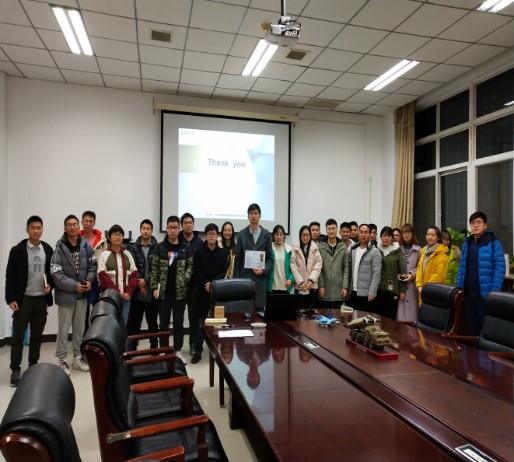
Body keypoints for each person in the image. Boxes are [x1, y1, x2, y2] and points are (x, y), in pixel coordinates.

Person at [5, 216, 53, 387]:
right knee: (18, 336)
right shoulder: (17, 250)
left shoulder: (47, 249)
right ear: (27, 230)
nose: (36, 231)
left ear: (42, 229)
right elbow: (10, 276)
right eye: (32, 228)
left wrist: (50, 286)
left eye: (39, 228)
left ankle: (33, 366)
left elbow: (51, 274)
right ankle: (15, 369)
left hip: (40, 300)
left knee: (37, 335)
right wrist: (10, 298)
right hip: (23, 300)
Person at [51, 214, 97, 375]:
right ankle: (61, 360)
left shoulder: (86, 246)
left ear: (79, 227)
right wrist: (74, 286)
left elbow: (93, 266)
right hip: (66, 296)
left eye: (75, 224)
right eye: (69, 225)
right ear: (65, 228)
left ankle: (77, 358)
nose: (72, 227)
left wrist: (89, 280)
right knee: (63, 330)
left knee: (79, 329)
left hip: (82, 296)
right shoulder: (59, 249)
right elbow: (56, 274)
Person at [150, 215, 194, 364]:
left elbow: (190, 267)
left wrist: (183, 280)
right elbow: (154, 269)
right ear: (166, 229)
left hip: (180, 293)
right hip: (163, 293)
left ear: (179, 229)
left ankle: (177, 350)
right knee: (163, 324)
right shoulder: (159, 247)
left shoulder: (185, 248)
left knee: (179, 323)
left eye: (175, 227)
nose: (173, 230)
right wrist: (154, 287)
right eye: (170, 227)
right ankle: (165, 351)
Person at [456, 212, 505, 336]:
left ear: (485, 225)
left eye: (479, 222)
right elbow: (462, 267)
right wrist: (459, 287)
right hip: (469, 295)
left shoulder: (493, 243)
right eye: (472, 223)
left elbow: (500, 268)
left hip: (485, 296)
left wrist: (494, 292)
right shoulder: (467, 243)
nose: (475, 225)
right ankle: (475, 350)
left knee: (487, 331)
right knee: (473, 330)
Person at [191, 223, 228, 364]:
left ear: (217, 235)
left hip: (217, 291)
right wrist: (206, 283)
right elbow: (197, 271)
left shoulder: (223, 253)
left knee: (218, 322)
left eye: (214, 234)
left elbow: (223, 271)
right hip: (202, 290)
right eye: (209, 234)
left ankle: (218, 350)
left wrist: (213, 283)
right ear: (205, 235)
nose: (211, 236)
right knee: (201, 323)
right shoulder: (199, 251)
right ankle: (198, 350)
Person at [233, 203, 274, 309]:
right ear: (248, 216)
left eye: (255, 213)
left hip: (259, 281)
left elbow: (270, 259)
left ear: (260, 215)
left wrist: (263, 270)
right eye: (251, 213)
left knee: (259, 314)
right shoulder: (242, 234)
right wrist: (236, 281)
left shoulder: (266, 235)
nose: (253, 216)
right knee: (243, 312)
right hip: (244, 280)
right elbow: (237, 260)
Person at [97, 225, 138, 325]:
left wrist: (129, 292)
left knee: (123, 324)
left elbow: (134, 274)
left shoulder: (128, 254)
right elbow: (102, 277)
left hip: (126, 297)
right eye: (115, 234)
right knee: (110, 324)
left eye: (120, 235)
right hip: (110, 297)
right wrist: (117, 292)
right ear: (109, 237)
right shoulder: (104, 255)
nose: (118, 237)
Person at [128, 219, 159, 348]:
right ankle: (132, 347)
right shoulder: (133, 248)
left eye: (148, 229)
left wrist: (146, 282)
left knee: (152, 322)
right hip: (137, 291)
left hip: (152, 290)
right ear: (140, 230)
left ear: (152, 231)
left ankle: (154, 348)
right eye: (143, 228)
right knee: (135, 322)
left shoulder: (158, 247)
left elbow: (157, 268)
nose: (145, 231)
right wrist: (140, 284)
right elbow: (132, 267)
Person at [178, 212, 203, 359]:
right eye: (185, 223)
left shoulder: (200, 242)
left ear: (193, 225)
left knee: (194, 317)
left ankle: (194, 345)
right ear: (181, 225)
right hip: (179, 286)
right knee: (179, 317)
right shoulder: (176, 240)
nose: (188, 225)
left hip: (195, 286)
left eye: (190, 222)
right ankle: (178, 347)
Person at [79, 211, 106, 330]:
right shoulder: (76, 238)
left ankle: (96, 337)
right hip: (81, 281)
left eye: (91, 221)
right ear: (82, 222)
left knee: (97, 312)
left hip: (97, 281)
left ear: (94, 223)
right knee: (82, 314)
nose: (88, 223)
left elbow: (105, 259)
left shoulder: (102, 240)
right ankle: (84, 338)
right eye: (86, 221)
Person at [317, 219, 350, 311]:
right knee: (324, 316)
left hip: (339, 289)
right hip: (324, 289)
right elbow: (318, 268)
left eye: (333, 228)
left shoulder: (343, 247)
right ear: (326, 230)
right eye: (329, 229)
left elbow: (346, 269)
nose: (331, 231)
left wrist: (345, 287)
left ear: (337, 229)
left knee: (338, 317)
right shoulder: (320, 247)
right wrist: (321, 286)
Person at [348, 223, 382, 311]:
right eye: (361, 232)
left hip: (366, 294)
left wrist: (372, 292)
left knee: (364, 318)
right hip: (352, 292)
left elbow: (377, 274)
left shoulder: (375, 252)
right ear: (358, 233)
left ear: (370, 234)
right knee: (351, 318)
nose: (363, 234)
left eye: (366, 232)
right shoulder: (353, 250)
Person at [376, 226, 406, 319]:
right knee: (379, 317)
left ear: (392, 238)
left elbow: (402, 271)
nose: (386, 238)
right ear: (381, 237)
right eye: (384, 235)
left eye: (389, 236)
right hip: (379, 290)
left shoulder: (397, 251)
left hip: (393, 290)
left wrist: (402, 291)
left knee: (391, 318)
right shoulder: (377, 250)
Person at [290, 225, 322, 311]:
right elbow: (293, 267)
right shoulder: (295, 249)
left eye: (307, 235)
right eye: (303, 235)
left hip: (312, 287)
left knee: (311, 312)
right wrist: (301, 283)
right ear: (300, 235)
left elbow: (318, 265)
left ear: (310, 236)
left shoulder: (315, 248)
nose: (305, 237)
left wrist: (311, 281)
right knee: (299, 312)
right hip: (299, 287)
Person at [415, 226, 449, 301]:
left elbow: (439, 275)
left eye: (433, 235)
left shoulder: (442, 254)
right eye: (428, 235)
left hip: (434, 291)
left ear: (438, 238)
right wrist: (419, 285)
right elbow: (419, 269)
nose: (430, 237)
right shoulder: (423, 252)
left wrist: (426, 288)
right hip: (422, 291)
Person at [397, 223, 421, 322]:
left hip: (412, 287)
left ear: (412, 234)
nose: (406, 235)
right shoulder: (398, 249)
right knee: (400, 319)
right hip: (400, 287)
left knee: (412, 319)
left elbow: (420, 267)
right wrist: (397, 274)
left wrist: (412, 274)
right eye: (404, 232)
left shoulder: (418, 249)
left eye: (409, 232)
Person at [267, 224, 294, 294]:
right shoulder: (269, 249)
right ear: (273, 235)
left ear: (284, 236)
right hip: (271, 287)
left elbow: (293, 268)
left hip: (285, 287)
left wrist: (291, 279)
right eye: (276, 234)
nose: (279, 237)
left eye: (281, 234)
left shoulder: (289, 250)